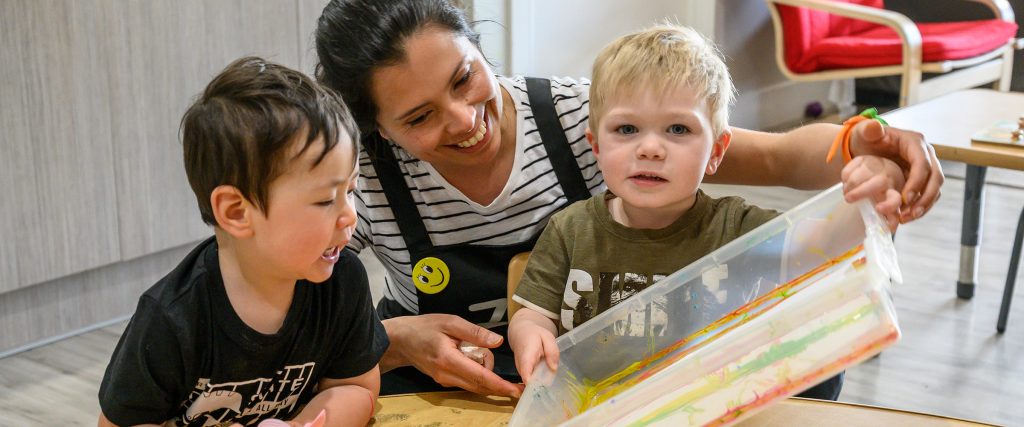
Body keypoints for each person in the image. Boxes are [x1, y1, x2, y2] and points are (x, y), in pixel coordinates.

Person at [313, 0, 942, 398]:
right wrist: (390, 337)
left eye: (464, 77)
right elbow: (273, 302)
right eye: (421, 117)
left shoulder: (579, 116)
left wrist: (866, 140)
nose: (464, 120)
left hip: (608, 383)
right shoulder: (360, 176)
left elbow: (778, 156)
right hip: (441, 390)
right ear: (378, 129)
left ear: (477, 45)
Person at [506, 24, 904, 402]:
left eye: (678, 130)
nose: (650, 149)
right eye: (626, 129)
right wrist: (530, 335)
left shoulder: (736, 227)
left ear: (716, 151)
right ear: (595, 146)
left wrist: (873, 194)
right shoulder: (569, 229)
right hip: (596, 408)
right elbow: (532, 315)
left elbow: (830, 242)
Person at [97, 57, 388, 427]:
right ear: (236, 212)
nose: (350, 215)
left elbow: (357, 388)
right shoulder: (172, 319)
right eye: (325, 200)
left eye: (351, 189)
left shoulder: (342, 282)